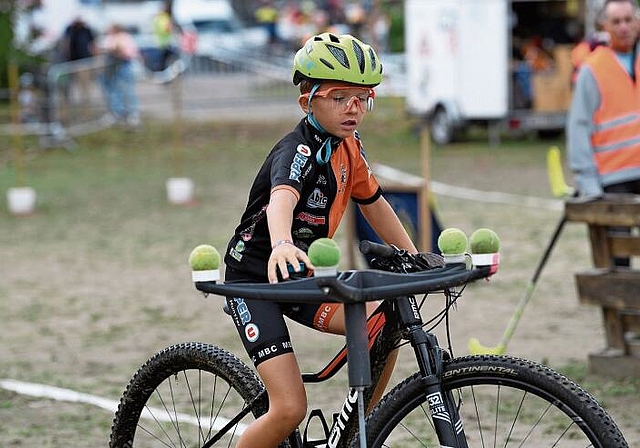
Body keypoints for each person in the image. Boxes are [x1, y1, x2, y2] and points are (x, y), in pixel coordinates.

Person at [223, 33, 418, 448]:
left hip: (302, 273)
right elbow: (282, 202)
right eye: (339, 97)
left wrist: (414, 256)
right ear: (306, 102)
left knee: (383, 326)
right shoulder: (296, 150)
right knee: (289, 408)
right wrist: (280, 244)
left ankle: (360, 431)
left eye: (363, 98)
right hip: (255, 279)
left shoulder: (349, 145)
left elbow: (374, 202)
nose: (354, 108)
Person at [567, 0, 640, 267]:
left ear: (637, 22)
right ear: (604, 27)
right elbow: (578, 126)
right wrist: (588, 183)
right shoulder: (592, 69)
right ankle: (622, 310)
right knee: (618, 262)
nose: (624, 27)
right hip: (612, 181)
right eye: (616, 22)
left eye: (628, 19)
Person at [97, 24, 141, 127]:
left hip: (124, 65)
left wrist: (120, 52)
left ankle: (132, 114)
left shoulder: (125, 37)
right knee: (113, 91)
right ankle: (117, 113)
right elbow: (102, 49)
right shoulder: (109, 38)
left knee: (128, 90)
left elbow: (130, 52)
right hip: (111, 67)